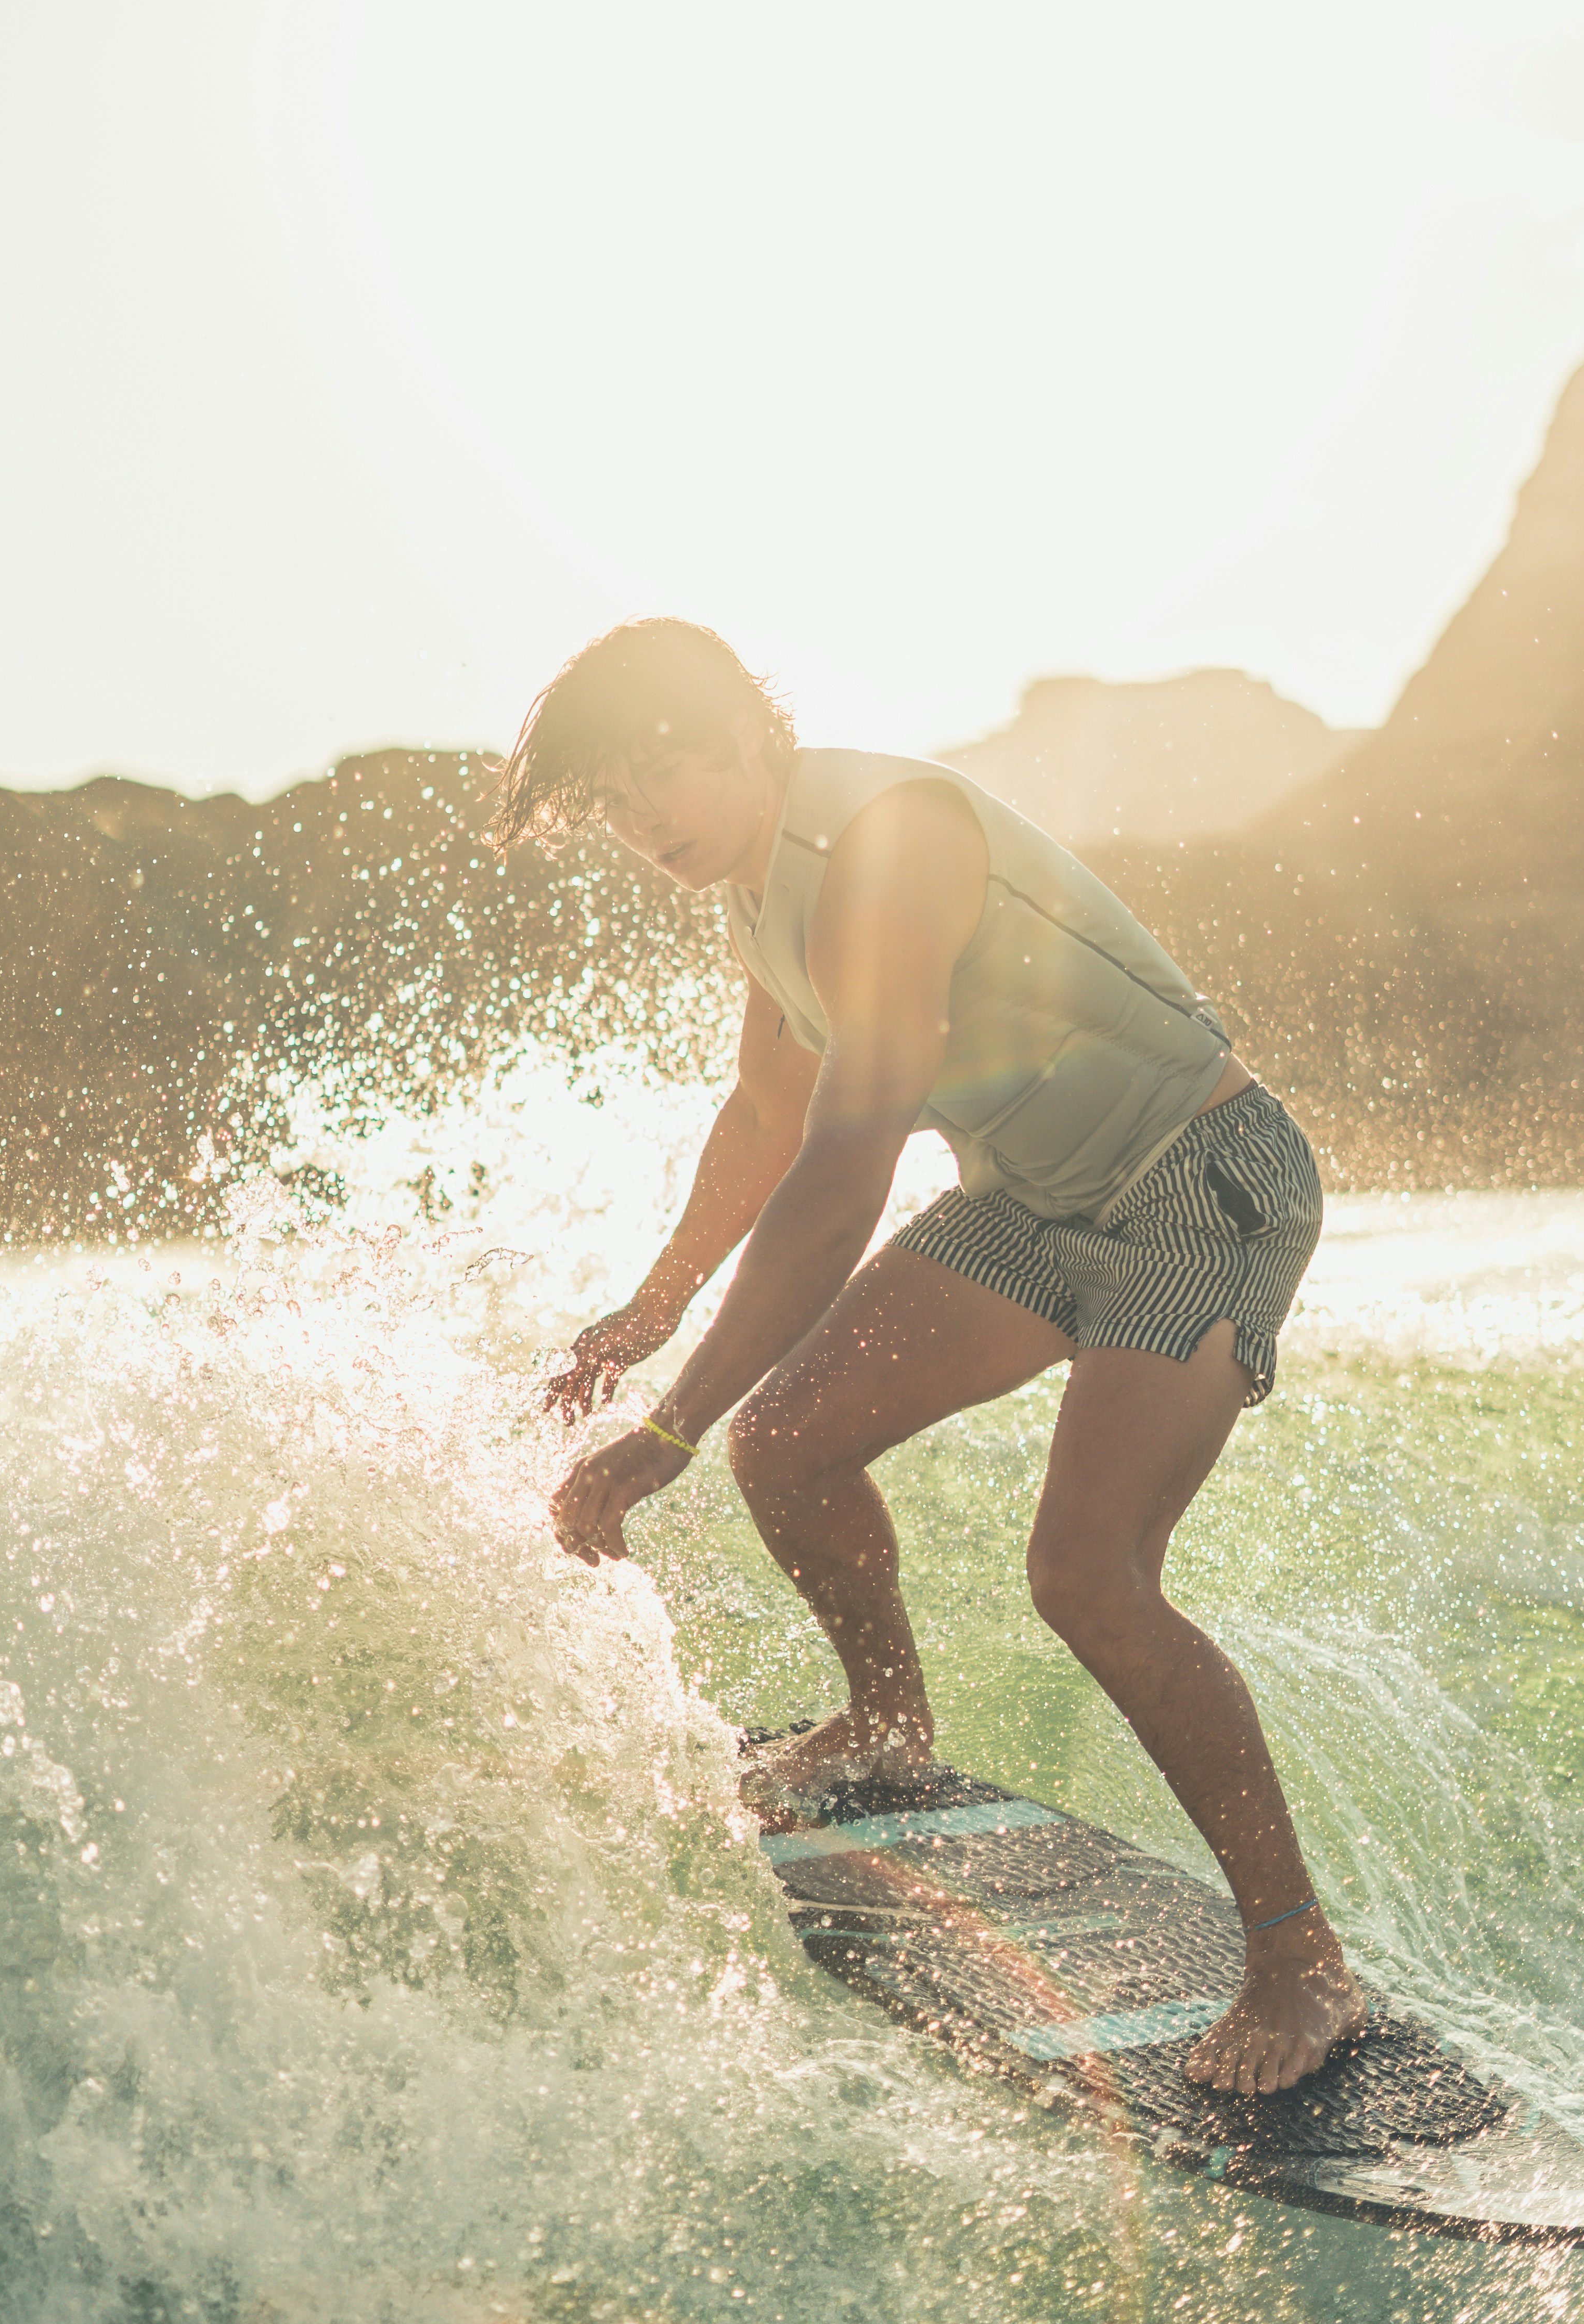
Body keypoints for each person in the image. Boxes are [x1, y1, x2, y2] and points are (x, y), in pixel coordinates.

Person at [496, 618, 1364, 2096]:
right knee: (799, 1442)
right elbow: (769, 1118)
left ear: (746, 735)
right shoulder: (763, 894)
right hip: (1034, 1203)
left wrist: (675, 1421)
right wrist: (643, 1322)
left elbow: (845, 1162)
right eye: (613, 803)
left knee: (1086, 1573)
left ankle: (1300, 1961)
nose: (647, 822)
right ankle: (890, 1725)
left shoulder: (883, 839)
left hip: (1197, 1180)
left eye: (662, 773)